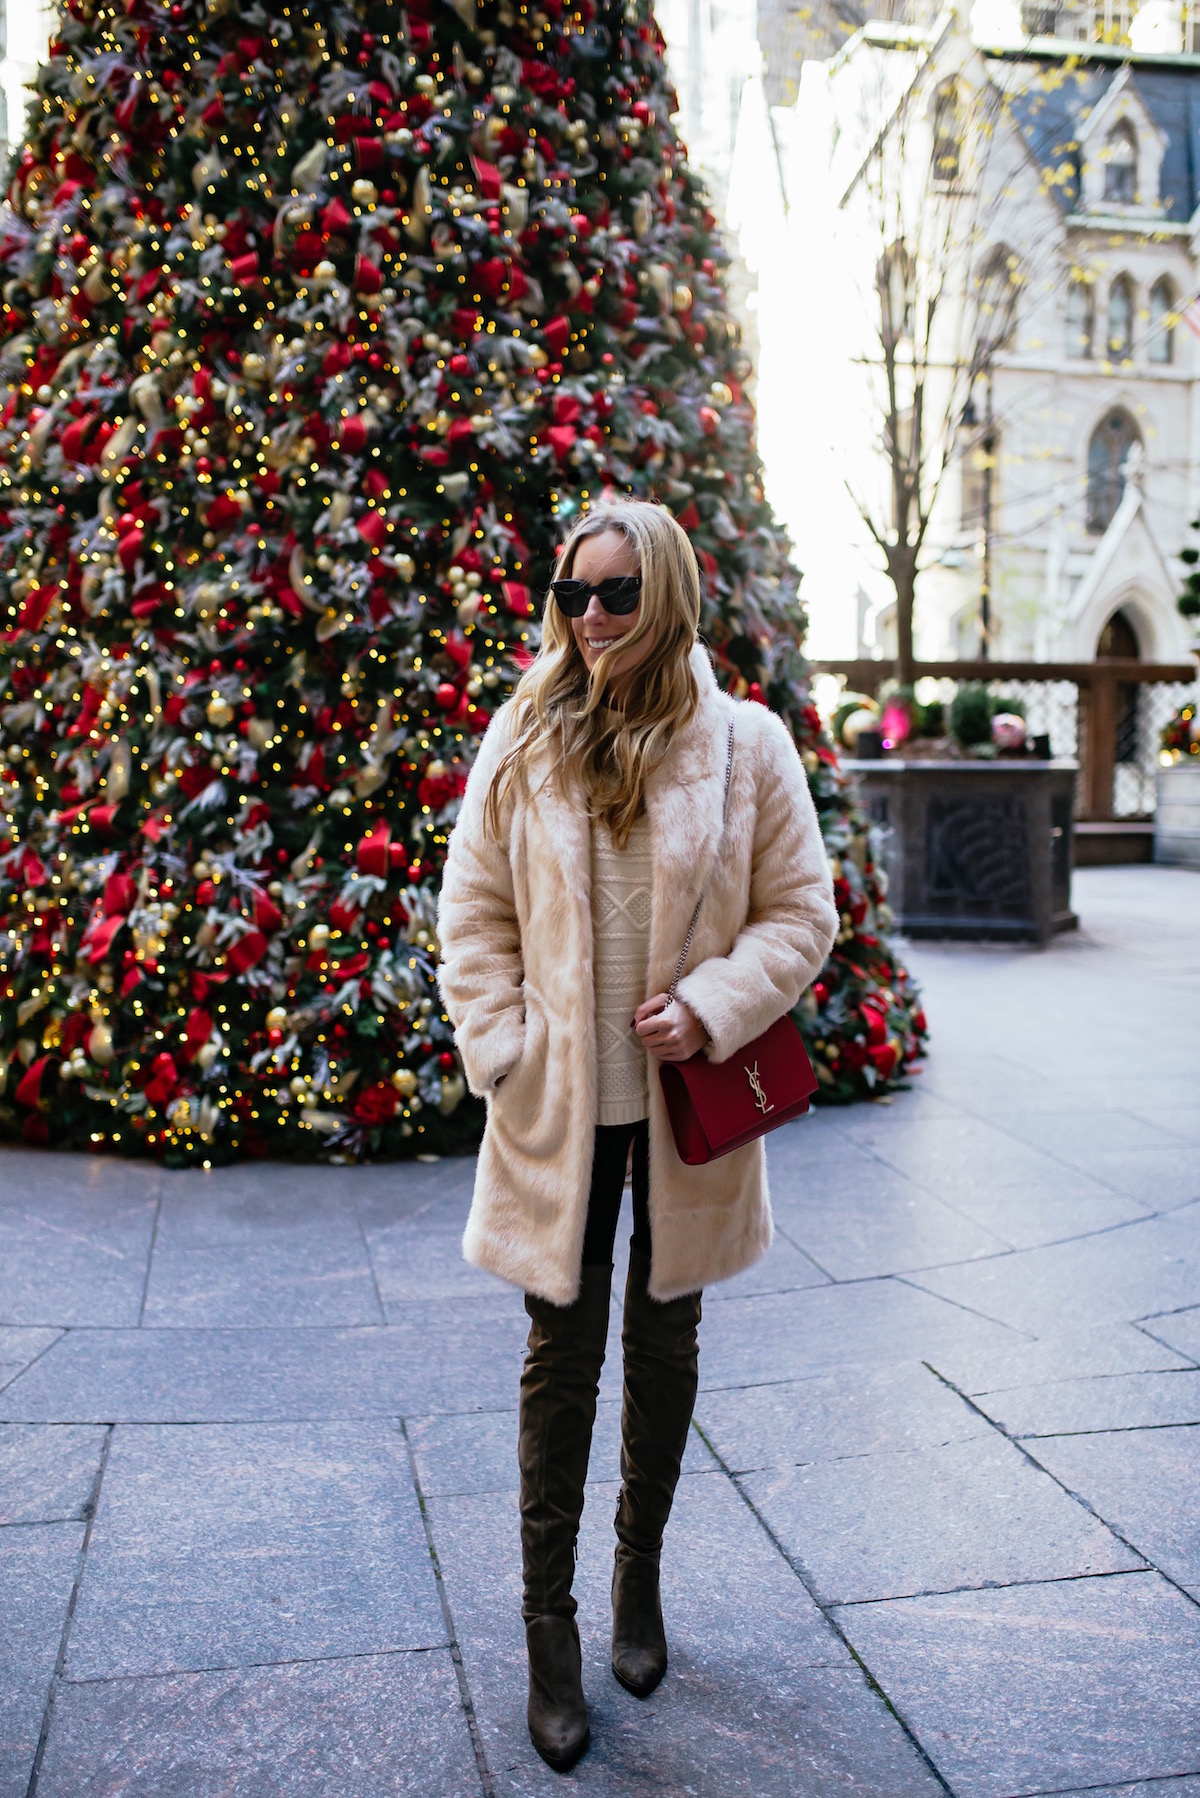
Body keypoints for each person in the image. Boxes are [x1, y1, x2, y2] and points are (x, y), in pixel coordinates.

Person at [437, 497, 837, 1773]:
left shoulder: (745, 746)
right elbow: (473, 912)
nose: (590, 617)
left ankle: (636, 1581)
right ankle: (548, 1630)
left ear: (663, 597)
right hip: (561, 1108)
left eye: (616, 593)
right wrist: (505, 1046)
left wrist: (714, 1005)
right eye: (573, 593)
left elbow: (800, 913)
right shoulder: (525, 730)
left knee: (664, 1347)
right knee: (561, 1357)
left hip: (681, 1113)